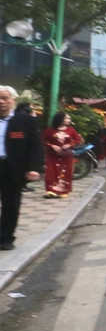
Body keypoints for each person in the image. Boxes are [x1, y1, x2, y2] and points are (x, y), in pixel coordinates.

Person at [0, 86, 43, 251]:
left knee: (11, 205)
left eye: (5, 98)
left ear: (13, 100)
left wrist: (34, 168)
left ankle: (6, 238)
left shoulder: (26, 122)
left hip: (12, 169)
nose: (1, 102)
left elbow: (36, 146)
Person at [42, 111, 83, 198]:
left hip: (66, 155)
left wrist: (69, 145)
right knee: (51, 172)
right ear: (61, 119)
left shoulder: (71, 130)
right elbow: (43, 140)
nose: (69, 120)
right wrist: (52, 145)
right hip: (52, 155)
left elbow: (77, 140)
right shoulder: (50, 130)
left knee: (65, 172)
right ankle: (50, 190)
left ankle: (63, 191)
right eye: (67, 118)